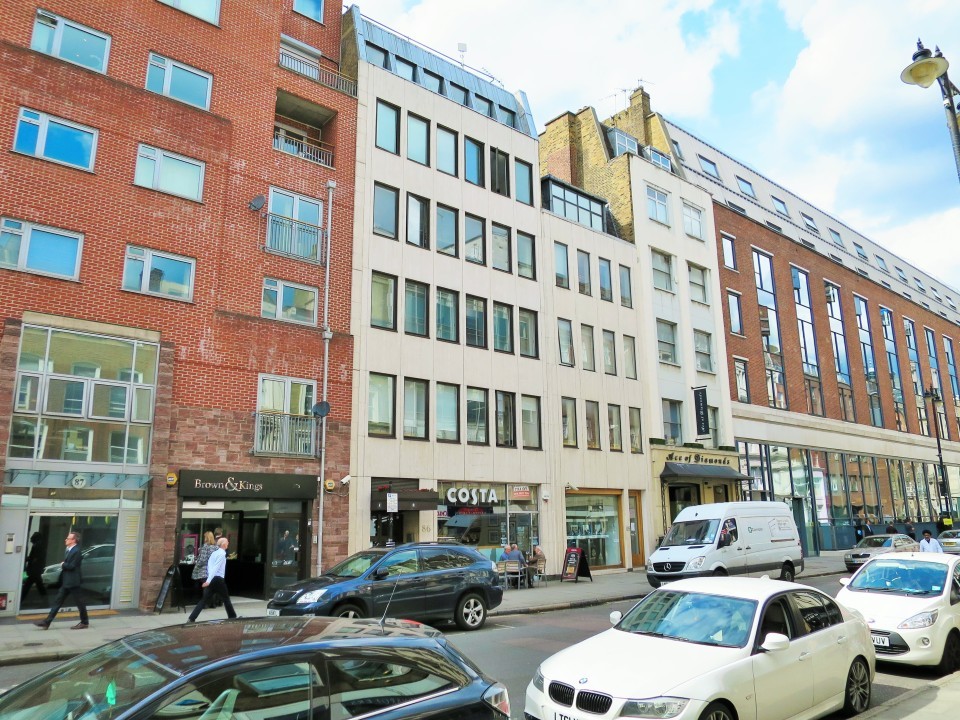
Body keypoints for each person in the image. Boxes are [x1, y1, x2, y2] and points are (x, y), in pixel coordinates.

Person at [34, 531, 88, 630]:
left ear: (74, 540)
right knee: (57, 601)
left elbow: (72, 566)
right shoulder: (69, 549)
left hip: (73, 582)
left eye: (68, 538)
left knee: (80, 603)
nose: (66, 539)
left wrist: (63, 564)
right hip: (67, 582)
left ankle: (84, 622)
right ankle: (47, 622)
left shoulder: (77, 551)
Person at [187, 537, 237, 622]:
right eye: (227, 542)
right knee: (226, 599)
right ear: (223, 544)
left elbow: (209, 566)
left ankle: (191, 618)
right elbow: (216, 567)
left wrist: (209, 579)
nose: (228, 543)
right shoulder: (222, 554)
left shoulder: (214, 553)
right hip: (218, 579)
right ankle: (232, 617)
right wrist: (208, 581)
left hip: (213, 579)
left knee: (204, 600)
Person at [22, 532, 47, 600]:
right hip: (36, 570)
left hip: (35, 570)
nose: (31, 538)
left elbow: (35, 557)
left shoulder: (37, 546)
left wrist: (29, 560)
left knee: (28, 585)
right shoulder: (38, 545)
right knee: (39, 585)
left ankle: (20, 599)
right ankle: (45, 599)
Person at [192, 531, 217, 600]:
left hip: (204, 570)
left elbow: (202, 559)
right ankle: (212, 602)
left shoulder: (205, 547)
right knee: (211, 586)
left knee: (204, 586)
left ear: (207, 538)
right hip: (212, 569)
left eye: (205, 537)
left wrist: (196, 564)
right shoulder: (216, 547)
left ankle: (204, 602)